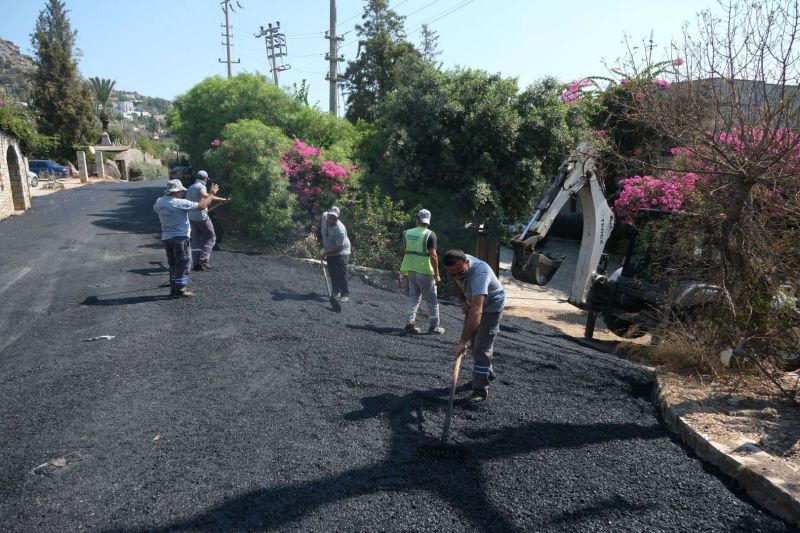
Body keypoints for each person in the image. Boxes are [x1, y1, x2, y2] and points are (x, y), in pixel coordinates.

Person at [444, 249, 506, 404]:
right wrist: (462, 301)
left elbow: (478, 311)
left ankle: (480, 390)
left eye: (460, 272)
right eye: (452, 274)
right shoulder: (456, 268)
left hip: (492, 305)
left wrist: (462, 342)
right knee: (474, 341)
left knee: (481, 348)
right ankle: (488, 371)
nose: (457, 276)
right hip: (473, 302)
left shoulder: (480, 274)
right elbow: (457, 282)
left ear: (467, 262)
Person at [153, 179, 219, 298]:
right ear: (176, 191)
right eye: (181, 191)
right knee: (184, 262)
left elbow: (156, 209)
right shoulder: (179, 202)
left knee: (173, 263)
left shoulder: (159, 201)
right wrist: (212, 194)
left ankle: (174, 288)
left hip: (167, 237)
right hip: (180, 238)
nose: (183, 193)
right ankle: (180, 289)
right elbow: (202, 206)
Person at [399, 209, 444, 334]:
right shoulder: (430, 234)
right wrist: (437, 275)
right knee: (431, 301)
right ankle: (433, 326)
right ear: (427, 221)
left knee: (413, 298)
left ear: (417, 219)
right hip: (425, 272)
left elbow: (401, 252)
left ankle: (409, 324)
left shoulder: (406, 233)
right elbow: (434, 256)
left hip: (411, 271)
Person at [186, 170, 227, 271]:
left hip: (191, 217)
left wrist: (218, 202)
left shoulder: (190, 188)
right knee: (211, 237)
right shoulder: (201, 186)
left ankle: (196, 263)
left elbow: (202, 204)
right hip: (201, 218)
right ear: (205, 179)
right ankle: (203, 260)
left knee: (195, 240)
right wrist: (221, 198)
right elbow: (206, 195)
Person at [320, 206, 351, 303]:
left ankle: (345, 294)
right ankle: (335, 291)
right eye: (330, 217)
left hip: (342, 251)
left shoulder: (340, 230)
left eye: (334, 219)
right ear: (328, 215)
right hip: (330, 250)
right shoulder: (325, 216)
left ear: (338, 218)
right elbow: (321, 218)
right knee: (332, 272)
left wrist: (325, 253)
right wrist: (316, 227)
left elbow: (338, 247)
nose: (332, 220)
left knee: (341, 272)